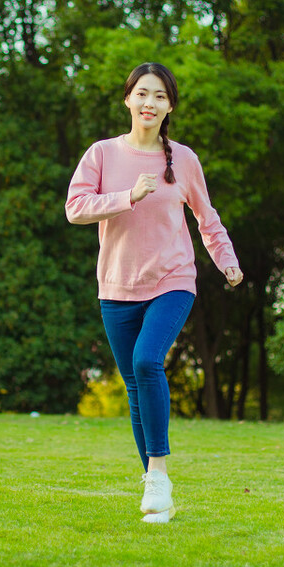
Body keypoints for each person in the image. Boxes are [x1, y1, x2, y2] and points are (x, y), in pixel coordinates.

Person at [65, 62, 243, 524]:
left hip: (172, 279)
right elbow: (75, 208)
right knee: (134, 386)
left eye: (160, 96)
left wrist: (226, 259)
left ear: (169, 107)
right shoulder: (102, 154)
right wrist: (127, 196)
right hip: (116, 284)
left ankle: (159, 473)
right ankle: (156, 490)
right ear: (128, 99)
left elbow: (206, 218)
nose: (150, 103)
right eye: (142, 93)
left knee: (147, 362)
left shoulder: (183, 160)